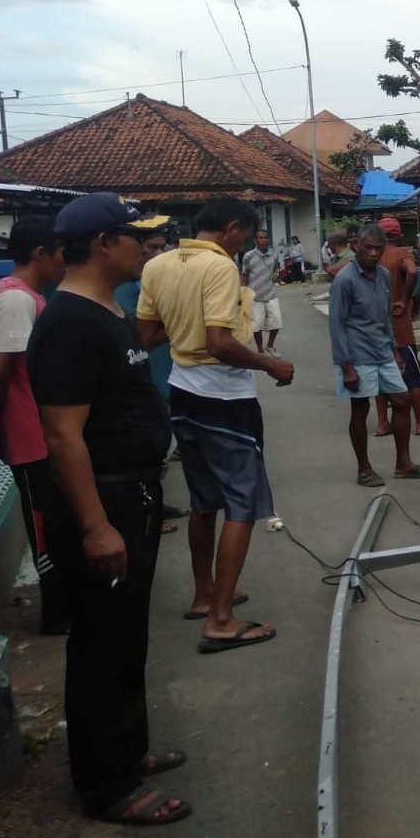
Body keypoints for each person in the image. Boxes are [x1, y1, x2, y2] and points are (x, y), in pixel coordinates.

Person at [28, 192, 190, 825]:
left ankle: (128, 752)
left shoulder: (107, 310)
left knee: (126, 637)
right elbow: (63, 434)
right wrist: (96, 526)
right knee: (101, 641)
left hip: (133, 493)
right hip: (103, 500)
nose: (144, 249)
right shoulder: (68, 321)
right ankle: (107, 786)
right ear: (102, 244)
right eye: (135, 238)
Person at [137, 196, 293, 653]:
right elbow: (221, 343)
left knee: (204, 501)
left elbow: (147, 335)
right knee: (242, 505)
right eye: (244, 234)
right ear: (230, 228)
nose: (243, 242)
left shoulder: (159, 265)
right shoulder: (220, 266)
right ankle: (222, 619)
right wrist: (270, 365)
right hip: (224, 397)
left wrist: (183, 320)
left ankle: (205, 593)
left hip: (182, 393)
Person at [0, 216, 69, 633]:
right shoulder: (15, 300)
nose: (64, 264)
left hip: (38, 430)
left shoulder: (25, 296)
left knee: (55, 520)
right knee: (44, 527)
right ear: (40, 253)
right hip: (28, 433)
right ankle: (57, 614)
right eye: (60, 255)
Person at [330, 224, 417, 486]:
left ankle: (403, 463)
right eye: (368, 248)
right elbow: (336, 324)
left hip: (383, 351)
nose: (373, 253)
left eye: (378, 249)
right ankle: (364, 469)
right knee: (360, 408)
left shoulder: (382, 274)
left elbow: (384, 316)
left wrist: (394, 350)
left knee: (402, 401)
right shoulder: (345, 280)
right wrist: (346, 366)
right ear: (357, 247)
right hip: (357, 355)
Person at [113, 222, 182, 536]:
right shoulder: (126, 288)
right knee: (146, 453)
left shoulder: (149, 282)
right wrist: (179, 322)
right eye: (151, 248)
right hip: (145, 380)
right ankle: (149, 511)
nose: (158, 253)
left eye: (160, 247)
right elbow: (140, 338)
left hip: (163, 375)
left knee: (160, 448)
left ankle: (156, 504)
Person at [374, 216, 420, 437]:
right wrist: (404, 297)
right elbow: (411, 271)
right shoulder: (401, 253)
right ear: (399, 235)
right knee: (412, 376)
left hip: (376, 328)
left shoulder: (371, 257)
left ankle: (382, 423)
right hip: (400, 328)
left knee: (381, 377)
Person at [240, 228, 284, 355]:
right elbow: (245, 275)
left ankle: (270, 345)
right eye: (261, 238)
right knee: (257, 325)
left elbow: (276, 270)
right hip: (255, 296)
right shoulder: (249, 256)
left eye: (266, 237)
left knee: (276, 322)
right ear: (256, 240)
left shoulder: (274, 254)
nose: (264, 240)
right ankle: (260, 350)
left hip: (271, 294)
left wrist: (276, 275)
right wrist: (244, 292)